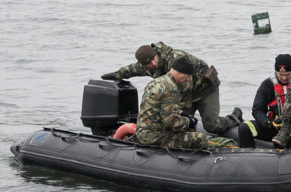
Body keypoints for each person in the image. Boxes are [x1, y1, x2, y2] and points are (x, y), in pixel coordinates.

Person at [101, 42, 242, 133]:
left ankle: (234, 117)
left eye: (153, 61)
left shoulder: (176, 61)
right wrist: (114, 75)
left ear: (156, 54)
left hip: (204, 89)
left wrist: (182, 115)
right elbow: (130, 70)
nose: (153, 65)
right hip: (183, 92)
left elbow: (185, 89)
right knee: (180, 124)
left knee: (212, 126)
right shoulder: (147, 65)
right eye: (148, 65)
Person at [135, 56, 237, 150]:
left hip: (142, 133)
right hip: (154, 138)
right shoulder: (171, 89)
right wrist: (188, 121)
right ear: (180, 73)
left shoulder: (155, 82)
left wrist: (181, 116)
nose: (188, 79)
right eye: (187, 76)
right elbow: (171, 122)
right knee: (200, 137)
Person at [239, 54, 291, 149]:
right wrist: (268, 123)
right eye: (281, 74)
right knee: (245, 127)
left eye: (287, 74)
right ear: (276, 72)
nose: (284, 78)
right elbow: (257, 110)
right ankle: (249, 157)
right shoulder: (267, 85)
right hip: (274, 127)